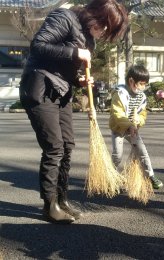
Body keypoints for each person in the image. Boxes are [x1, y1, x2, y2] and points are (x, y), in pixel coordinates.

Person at [19, 0, 128, 224]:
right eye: (105, 25)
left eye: (109, 30)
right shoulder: (64, 17)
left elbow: (65, 70)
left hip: (62, 92)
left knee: (67, 146)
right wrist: (75, 53)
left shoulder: (88, 38)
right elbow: (38, 45)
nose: (105, 32)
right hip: (40, 88)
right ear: (95, 14)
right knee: (54, 147)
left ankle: (62, 199)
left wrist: (80, 80)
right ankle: (49, 206)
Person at [109, 65, 163, 189]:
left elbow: (143, 113)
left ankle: (150, 176)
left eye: (145, 84)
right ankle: (111, 174)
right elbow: (118, 114)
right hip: (119, 129)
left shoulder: (141, 97)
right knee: (117, 154)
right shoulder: (120, 94)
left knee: (142, 151)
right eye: (141, 84)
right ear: (131, 81)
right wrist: (129, 125)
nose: (143, 87)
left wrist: (138, 120)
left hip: (133, 129)